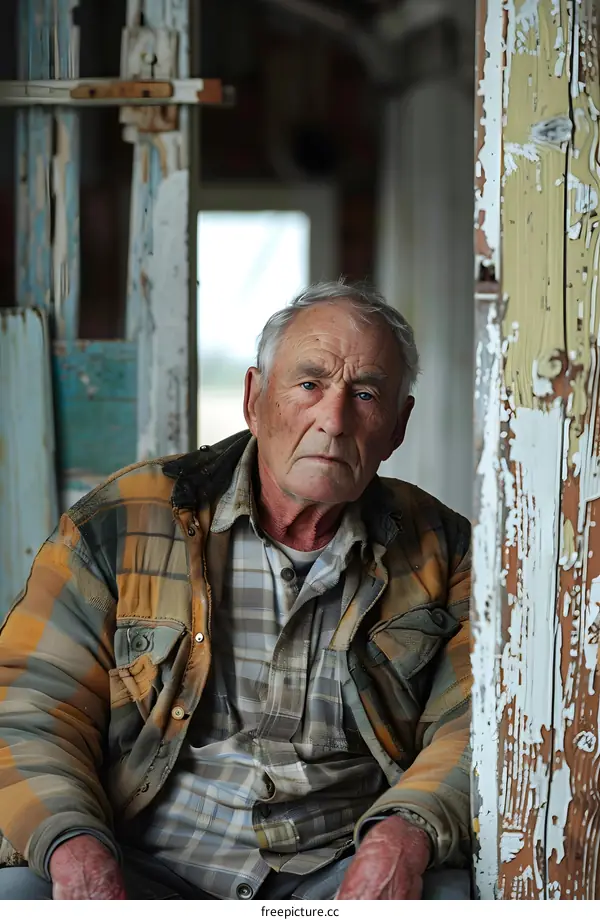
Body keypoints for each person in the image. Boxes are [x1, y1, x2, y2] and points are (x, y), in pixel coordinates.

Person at [0, 280, 472, 900]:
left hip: (334, 874)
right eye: (309, 385)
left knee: (451, 895)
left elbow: (473, 724)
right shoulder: (124, 520)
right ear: (254, 398)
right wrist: (74, 847)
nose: (333, 420)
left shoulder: (443, 547)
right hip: (145, 866)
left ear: (398, 426)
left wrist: (402, 836)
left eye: (364, 394)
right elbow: (30, 708)